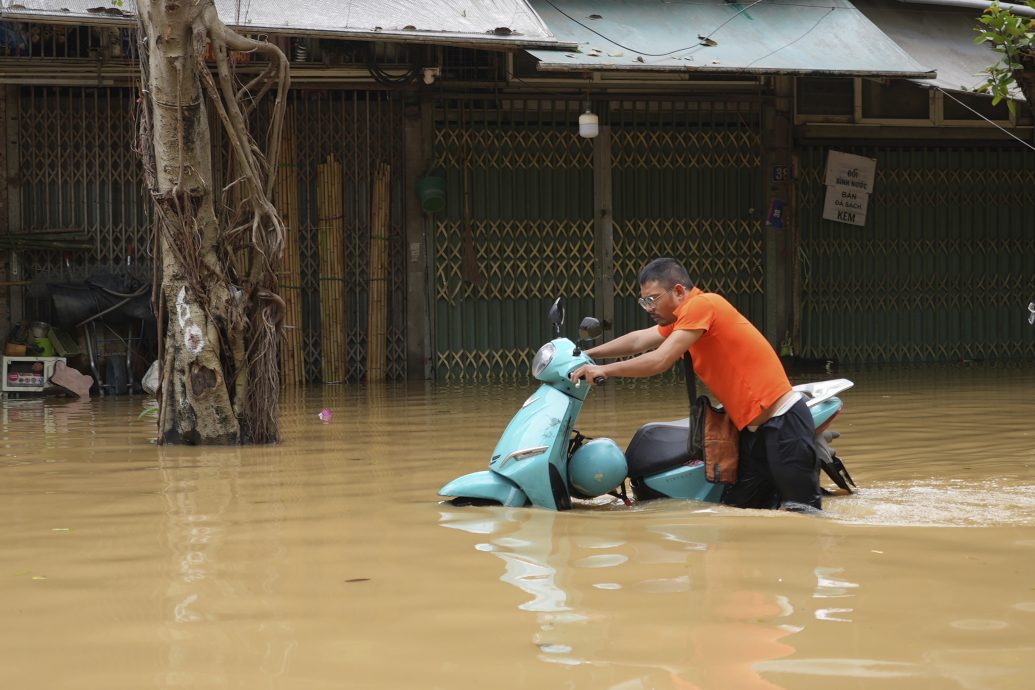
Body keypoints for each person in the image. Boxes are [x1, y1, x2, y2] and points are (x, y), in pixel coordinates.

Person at [568, 257, 821, 511]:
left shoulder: (702, 305)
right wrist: (586, 354)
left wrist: (605, 370)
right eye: (644, 301)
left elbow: (660, 359)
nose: (648, 308)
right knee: (740, 511)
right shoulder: (684, 321)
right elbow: (639, 341)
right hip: (751, 433)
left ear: (678, 291)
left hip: (783, 422)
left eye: (652, 299)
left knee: (803, 513)